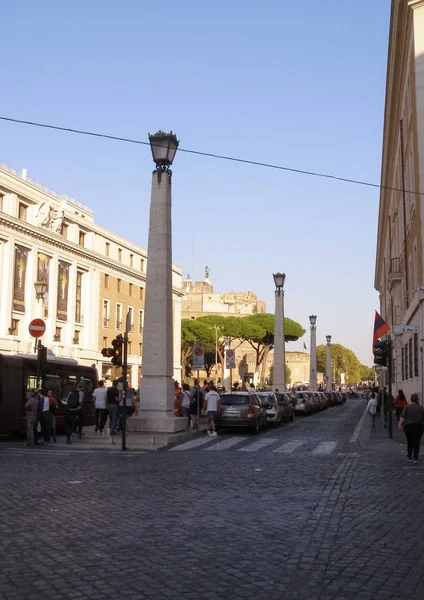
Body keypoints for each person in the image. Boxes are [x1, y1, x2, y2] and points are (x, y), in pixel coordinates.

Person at [399, 393, 424, 463]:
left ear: (411, 399)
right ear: (417, 400)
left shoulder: (407, 407)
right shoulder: (421, 407)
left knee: (409, 441)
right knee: (417, 441)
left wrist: (399, 425)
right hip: (418, 426)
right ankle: (416, 457)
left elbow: (402, 417)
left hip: (408, 426)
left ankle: (409, 456)